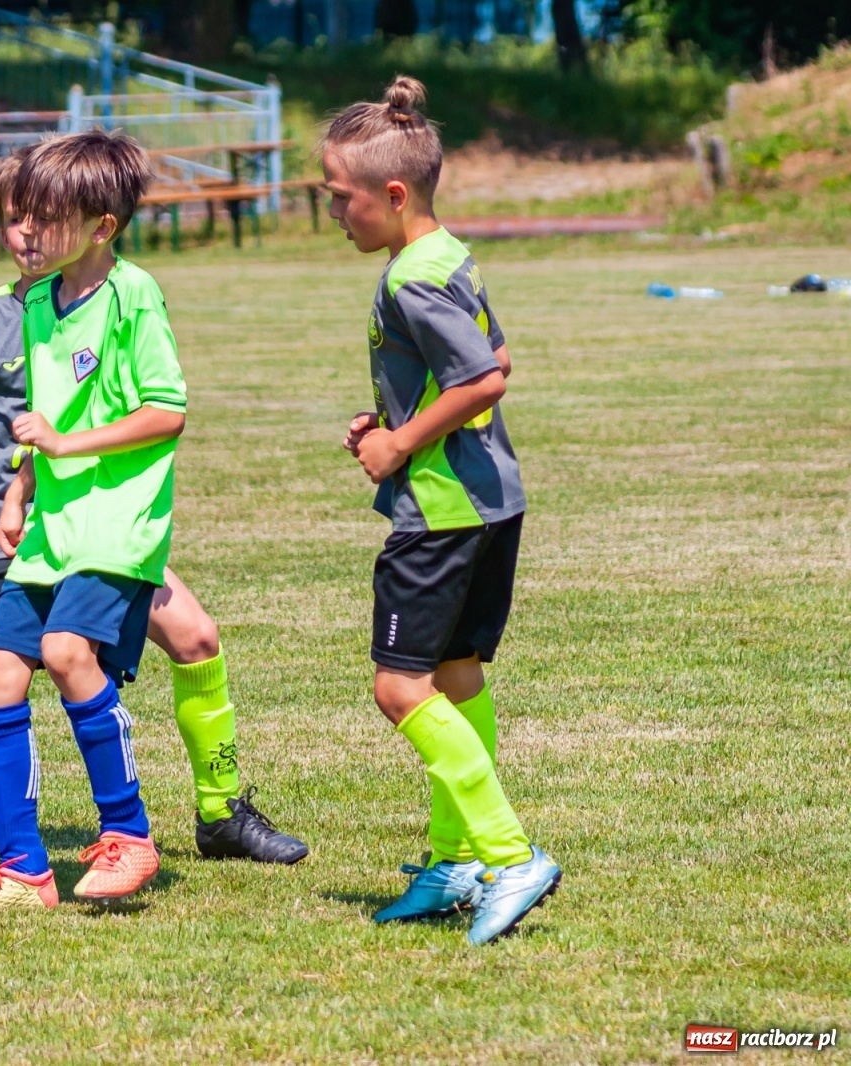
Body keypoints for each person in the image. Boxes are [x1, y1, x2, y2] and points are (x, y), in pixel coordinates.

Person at [0, 149, 306, 886]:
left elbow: (152, 410)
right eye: (13, 217)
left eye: (37, 216)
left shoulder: (108, 297)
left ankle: (221, 811)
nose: (24, 231)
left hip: (83, 521)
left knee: (197, 635)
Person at [324, 77, 560, 944]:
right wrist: (394, 421)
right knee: (457, 677)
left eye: (339, 198)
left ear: (391, 196)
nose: (334, 213)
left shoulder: (409, 280)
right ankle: (458, 857)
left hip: (444, 511)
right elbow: (490, 351)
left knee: (400, 687)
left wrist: (397, 447)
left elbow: (485, 377)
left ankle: (507, 853)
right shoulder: (446, 254)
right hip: (490, 499)